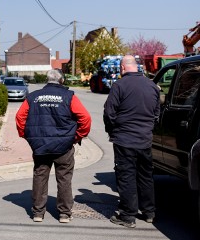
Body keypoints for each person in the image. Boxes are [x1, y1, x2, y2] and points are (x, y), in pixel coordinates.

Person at [16, 69, 91, 223]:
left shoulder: (33, 97)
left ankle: (38, 213)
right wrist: (76, 137)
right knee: (64, 178)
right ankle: (64, 214)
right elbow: (85, 118)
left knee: (40, 176)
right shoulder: (69, 96)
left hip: (40, 146)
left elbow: (20, 117)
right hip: (64, 145)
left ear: (47, 80)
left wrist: (29, 136)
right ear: (61, 80)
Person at [103, 54, 160, 228]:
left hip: (125, 140)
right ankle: (149, 212)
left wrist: (112, 131)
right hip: (145, 140)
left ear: (122, 68)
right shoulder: (152, 86)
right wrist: (148, 130)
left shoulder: (119, 85)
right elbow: (157, 114)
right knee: (145, 177)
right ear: (137, 67)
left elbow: (109, 113)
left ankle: (128, 216)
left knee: (126, 177)